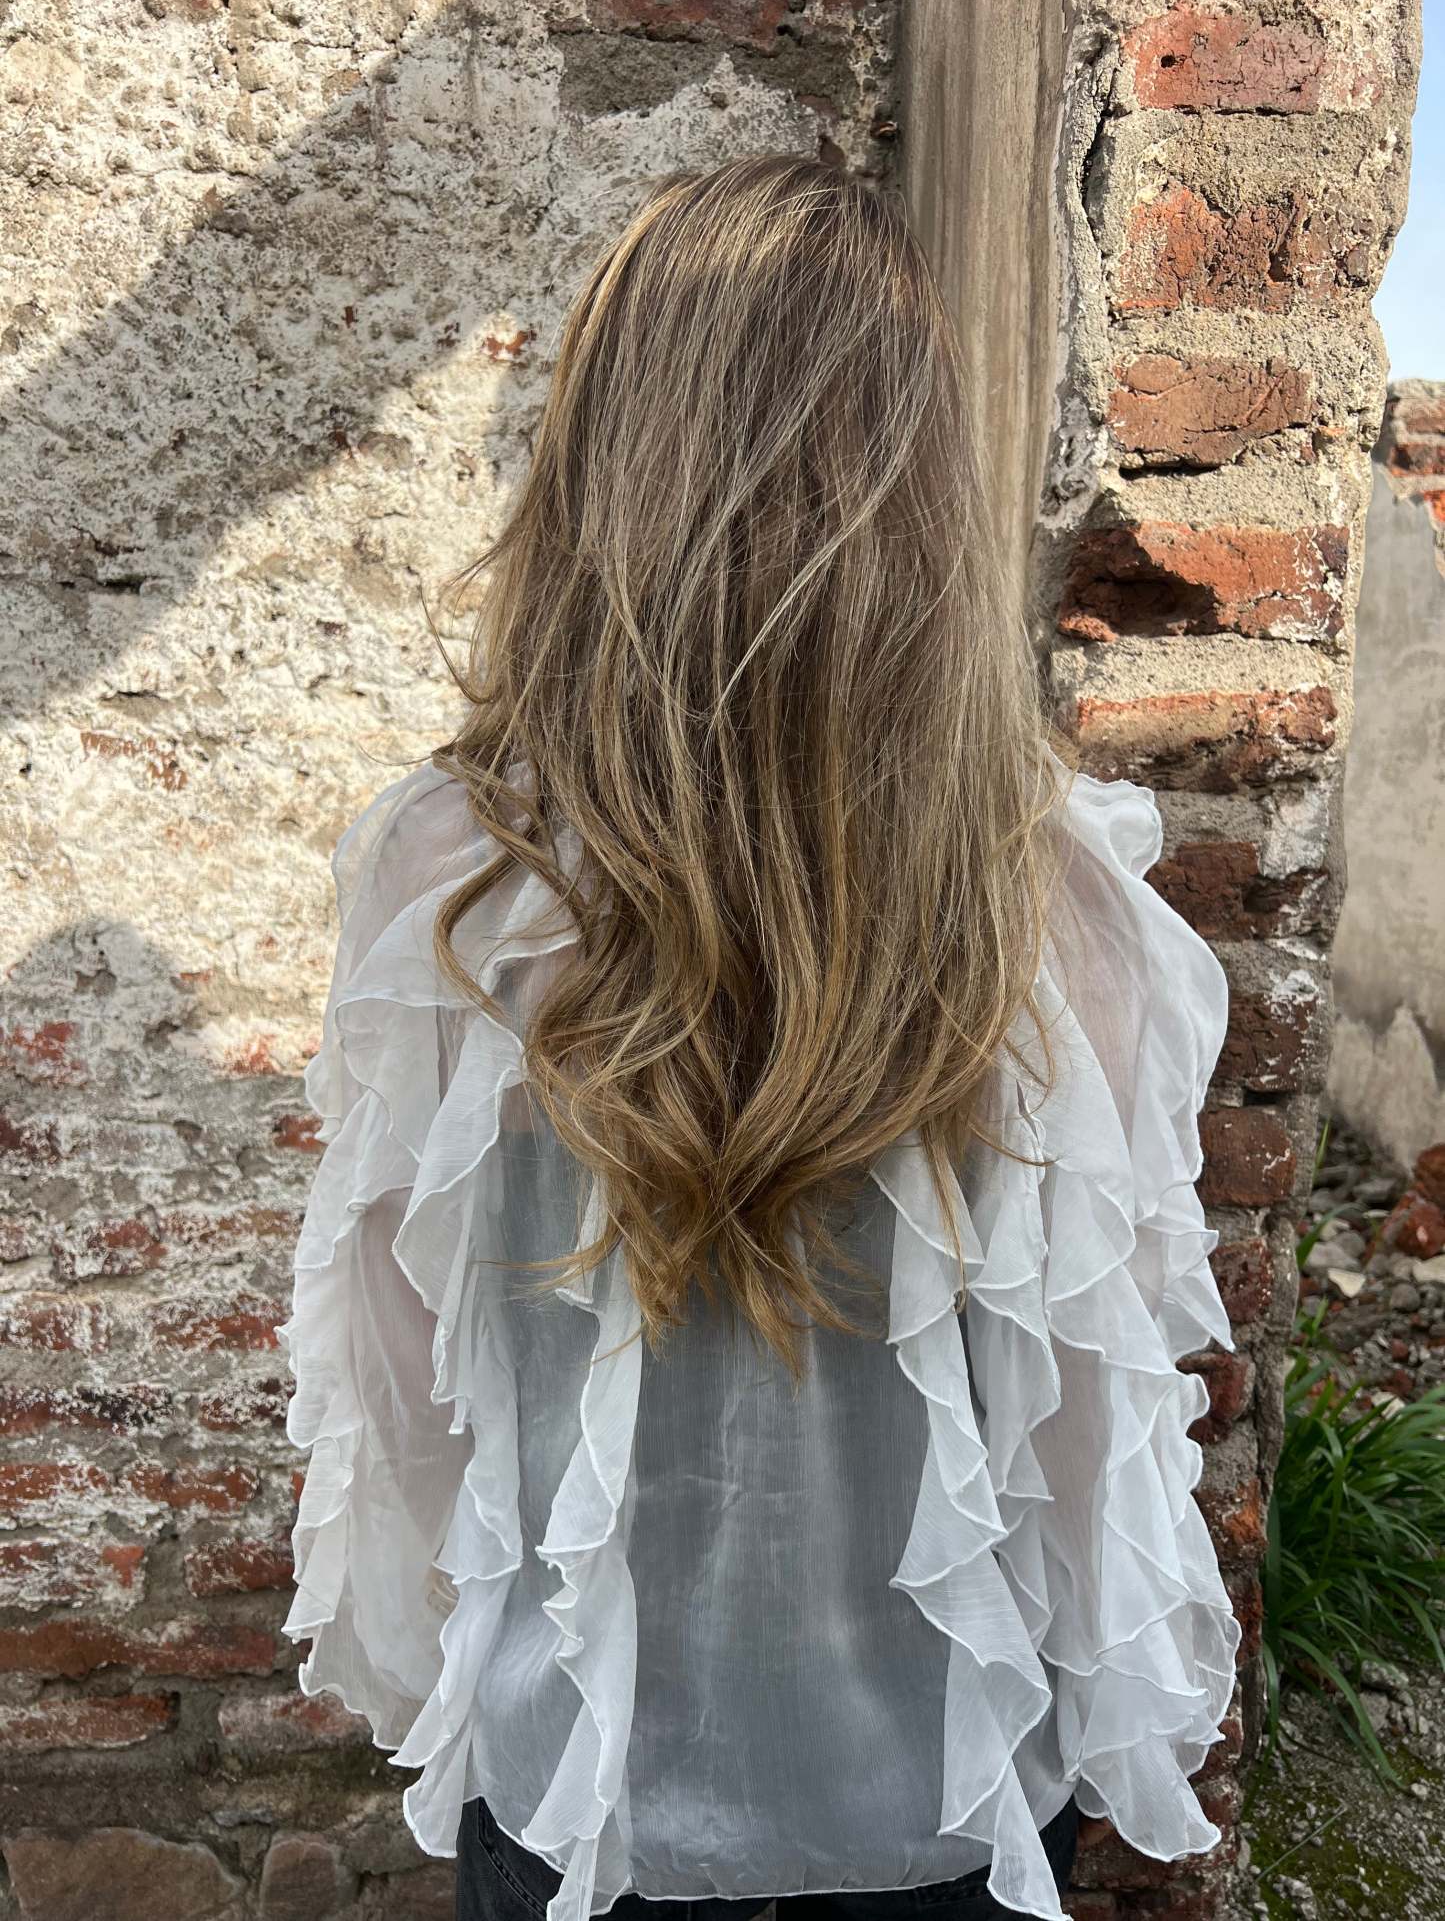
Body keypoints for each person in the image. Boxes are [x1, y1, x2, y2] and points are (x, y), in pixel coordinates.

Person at [282, 157, 1240, 1921]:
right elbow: (1085, 1446)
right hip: (945, 1793)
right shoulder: (1060, 907)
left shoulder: (445, 879)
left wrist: (450, 1665)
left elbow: (412, 1382)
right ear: (924, 491)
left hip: (583, 1781)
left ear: (601, 459)